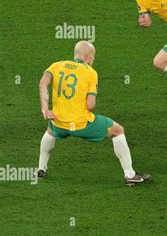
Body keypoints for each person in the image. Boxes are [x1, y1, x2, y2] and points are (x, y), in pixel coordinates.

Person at [37, 41, 150, 186]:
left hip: (58, 122)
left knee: (50, 131)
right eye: (93, 56)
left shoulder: (56, 65)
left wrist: (45, 109)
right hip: (81, 124)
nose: (94, 59)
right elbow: (91, 106)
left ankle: (41, 169)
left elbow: (43, 83)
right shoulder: (90, 73)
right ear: (86, 56)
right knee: (117, 131)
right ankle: (130, 174)